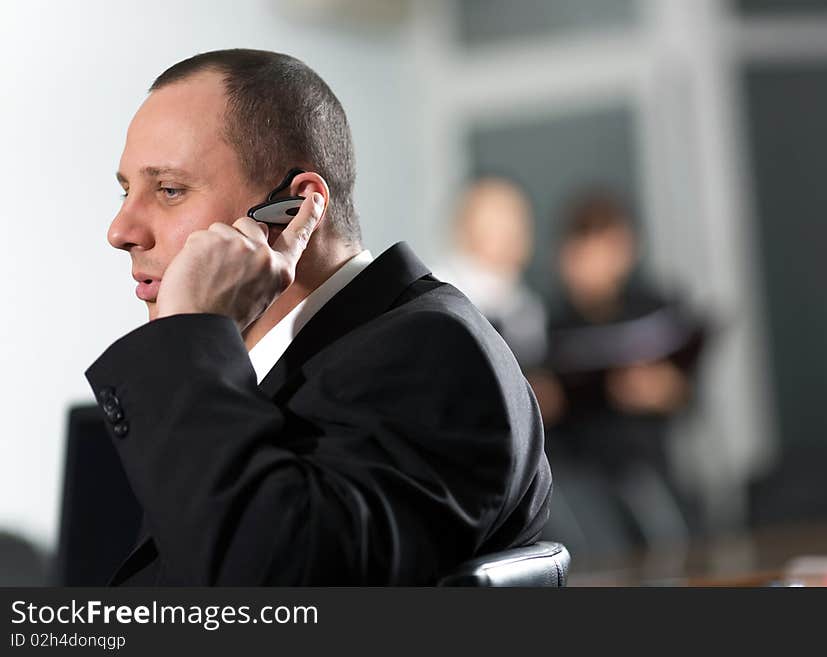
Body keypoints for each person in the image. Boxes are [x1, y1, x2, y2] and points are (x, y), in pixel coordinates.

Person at [84, 49, 551, 586]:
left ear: (294, 209)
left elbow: (269, 586)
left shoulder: (431, 354)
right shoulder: (300, 358)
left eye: (169, 190)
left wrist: (188, 336)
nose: (120, 230)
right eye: (126, 191)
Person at [537, 191, 704, 562]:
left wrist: (660, 389)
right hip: (581, 472)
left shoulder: (655, 307)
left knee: (670, 551)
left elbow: (687, 391)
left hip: (646, 467)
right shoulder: (553, 322)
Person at [438, 177, 548, 370]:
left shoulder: (525, 305)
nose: (511, 230)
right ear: (465, 226)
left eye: (517, 219)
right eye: (496, 219)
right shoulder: (437, 294)